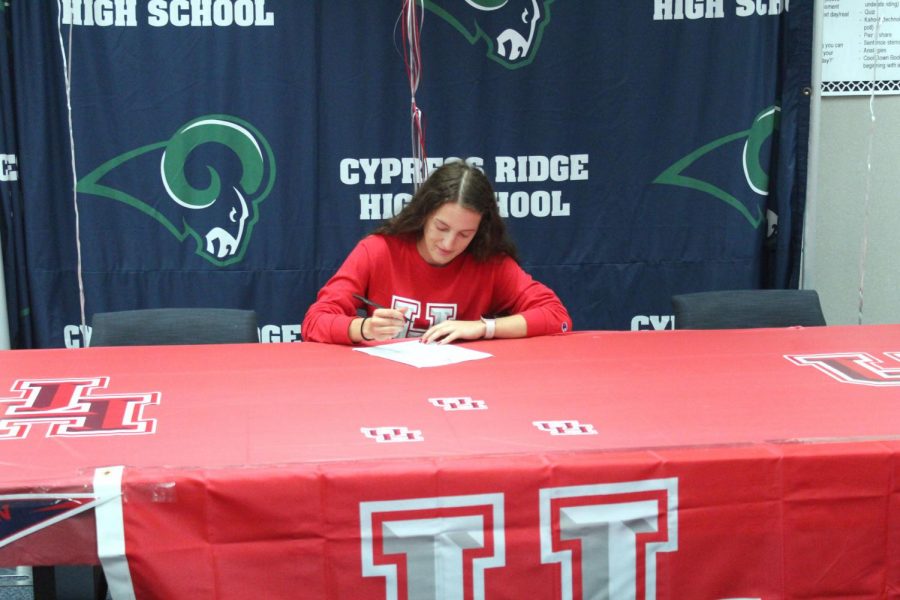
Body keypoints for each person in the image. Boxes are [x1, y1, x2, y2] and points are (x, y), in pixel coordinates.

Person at [301, 160, 572, 345]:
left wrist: (484, 328)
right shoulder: (378, 251)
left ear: (480, 230)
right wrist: (362, 329)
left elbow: (556, 317)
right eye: (441, 227)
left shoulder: (489, 263)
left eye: (465, 234)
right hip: (384, 388)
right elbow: (314, 322)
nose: (448, 243)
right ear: (424, 213)